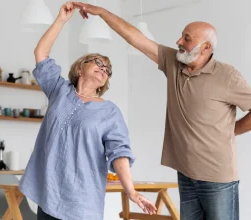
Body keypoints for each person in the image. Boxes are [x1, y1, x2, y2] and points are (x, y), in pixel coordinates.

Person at [72, 2, 251, 220]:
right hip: (186, 174)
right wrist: (101, 12)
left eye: (187, 38)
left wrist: (231, 130)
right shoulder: (174, 62)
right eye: (181, 36)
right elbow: (136, 39)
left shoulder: (227, 76)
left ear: (206, 48)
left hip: (217, 178)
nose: (179, 42)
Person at [19, 2, 156, 220]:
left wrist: (131, 190)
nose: (104, 69)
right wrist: (61, 20)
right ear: (80, 67)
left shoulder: (110, 112)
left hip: (81, 202)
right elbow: (41, 53)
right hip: (48, 195)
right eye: (99, 63)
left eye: (108, 70)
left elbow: (119, 152)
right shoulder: (59, 91)